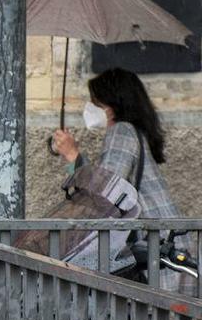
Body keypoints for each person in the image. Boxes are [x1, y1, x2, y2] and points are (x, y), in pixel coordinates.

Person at [52, 67, 178, 219]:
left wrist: (72, 154)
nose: (89, 106)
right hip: (157, 230)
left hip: (153, 232)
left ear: (112, 104)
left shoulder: (122, 130)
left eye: (95, 101)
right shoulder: (131, 131)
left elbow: (105, 192)